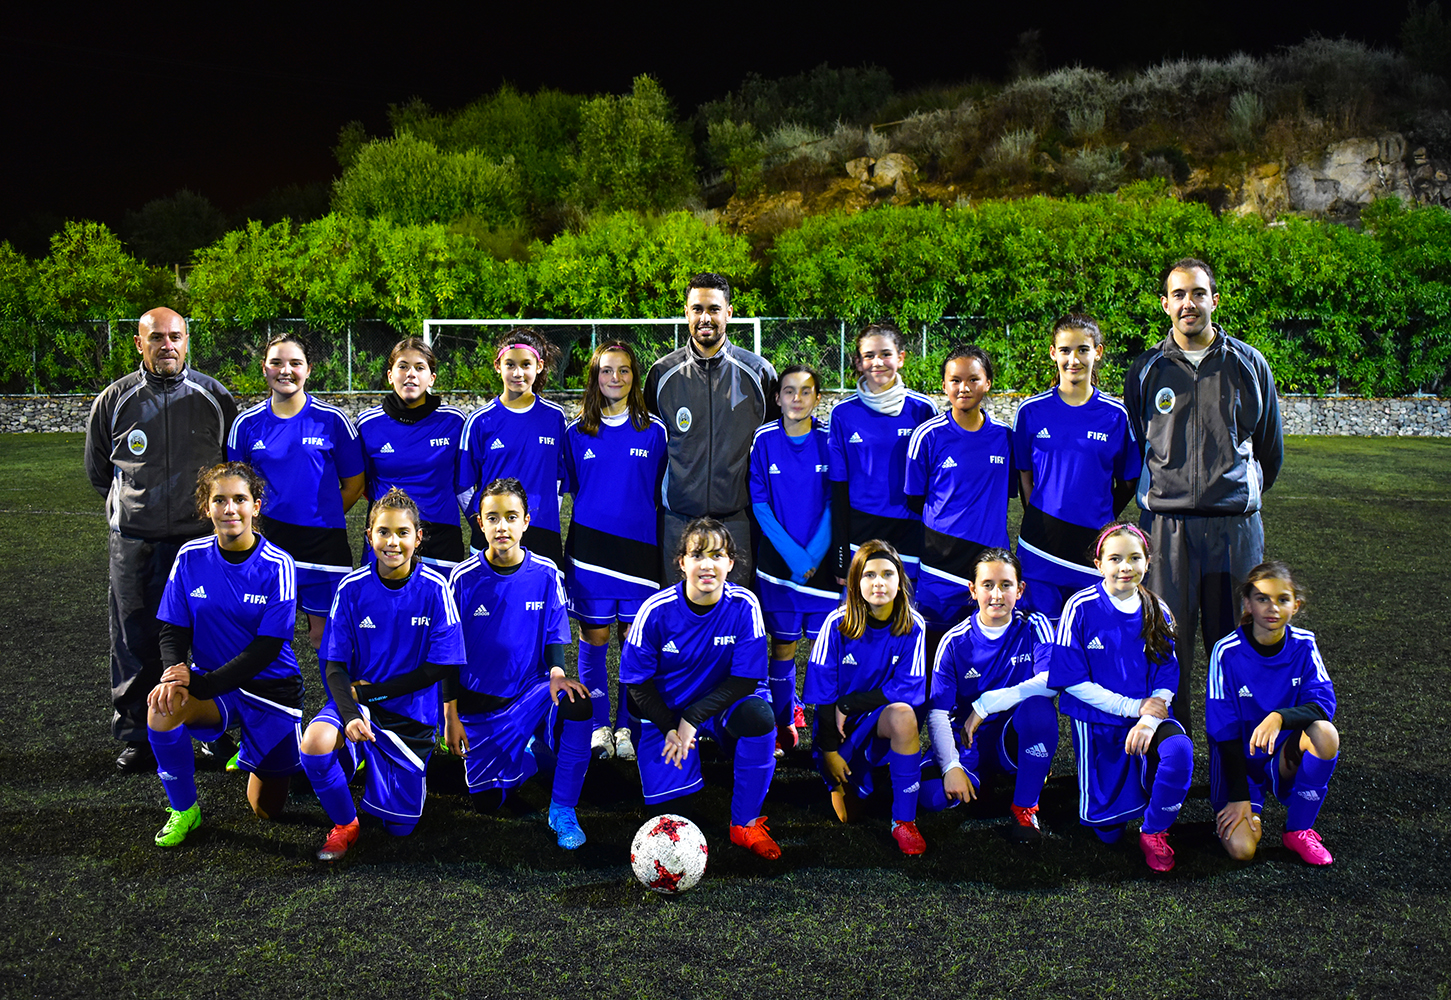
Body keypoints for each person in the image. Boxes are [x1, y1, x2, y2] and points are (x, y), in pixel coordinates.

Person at [1124, 259, 1283, 731]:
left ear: (1215, 299)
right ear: (1165, 304)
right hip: (1166, 528)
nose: (1188, 303)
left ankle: (1232, 768)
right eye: (1178, 295)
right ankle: (1174, 760)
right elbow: (1137, 443)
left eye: (1197, 293)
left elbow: (1270, 448)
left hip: (1233, 528)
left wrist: (1235, 493)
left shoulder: (1249, 364)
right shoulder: (1147, 368)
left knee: (1233, 646)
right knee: (1167, 646)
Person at [85, 306, 237, 772]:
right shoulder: (114, 400)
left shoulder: (214, 397)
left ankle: (213, 732)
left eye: (175, 336)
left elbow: (233, 469)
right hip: (136, 544)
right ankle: (138, 735)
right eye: (156, 338)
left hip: (201, 545)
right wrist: (137, 513)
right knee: (134, 639)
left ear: (187, 341)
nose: (166, 345)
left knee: (210, 640)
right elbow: (99, 473)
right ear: (139, 343)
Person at [298, 488, 465, 862]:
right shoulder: (351, 589)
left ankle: (370, 765)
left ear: (418, 537)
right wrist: (351, 714)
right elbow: (334, 665)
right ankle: (344, 823)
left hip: (410, 718)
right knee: (314, 743)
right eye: (384, 532)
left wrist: (371, 696)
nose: (393, 542)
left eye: (403, 533)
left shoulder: (436, 589)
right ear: (369, 535)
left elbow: (440, 666)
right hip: (360, 707)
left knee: (399, 829)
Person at [145, 463, 302, 846]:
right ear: (207, 508)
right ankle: (185, 810)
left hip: (270, 689)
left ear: (256, 507)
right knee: (162, 706)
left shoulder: (279, 565)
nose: (230, 509)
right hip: (213, 684)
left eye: (239, 500)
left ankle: (266, 749)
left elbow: (267, 648)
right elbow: (173, 627)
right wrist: (174, 674)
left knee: (268, 811)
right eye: (220, 500)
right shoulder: (189, 557)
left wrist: (202, 683)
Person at [620, 517, 781, 859]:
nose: (708, 564)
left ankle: (745, 824)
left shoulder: (744, 605)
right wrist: (670, 728)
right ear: (681, 563)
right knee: (673, 822)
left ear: (730, 563)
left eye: (717, 555)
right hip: (667, 714)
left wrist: (692, 719)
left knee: (759, 717)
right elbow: (636, 685)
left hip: (721, 707)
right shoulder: (655, 611)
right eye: (697, 555)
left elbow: (745, 681)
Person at [446, 478, 593, 850]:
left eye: (511, 517)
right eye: (492, 518)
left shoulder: (545, 573)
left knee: (577, 702)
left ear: (526, 521)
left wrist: (558, 673)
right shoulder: (461, 580)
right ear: (479, 523)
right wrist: (451, 715)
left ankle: (562, 810)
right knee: (488, 804)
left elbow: (555, 634)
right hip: (480, 708)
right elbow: (446, 653)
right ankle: (531, 756)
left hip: (532, 692)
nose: (502, 526)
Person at [1050, 522, 1194, 872]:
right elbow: (1071, 679)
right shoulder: (1079, 607)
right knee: (1108, 833)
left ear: (1148, 562)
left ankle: (1153, 831)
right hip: (1097, 722)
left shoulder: (1157, 610)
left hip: (1145, 720)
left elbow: (1166, 675)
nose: (1125, 567)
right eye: (1115, 558)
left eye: (1134, 558)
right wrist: (1130, 707)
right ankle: (1112, 808)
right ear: (1098, 564)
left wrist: (1146, 720)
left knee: (1179, 751)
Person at [562, 342, 667, 763]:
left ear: (634, 378)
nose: (615, 378)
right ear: (595, 376)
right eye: (607, 371)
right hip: (589, 553)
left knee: (632, 640)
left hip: (640, 553)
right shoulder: (576, 432)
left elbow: (661, 492)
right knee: (595, 637)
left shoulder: (655, 431)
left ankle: (626, 727)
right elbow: (569, 489)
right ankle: (597, 728)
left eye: (624, 371)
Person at [227, 333, 365, 653]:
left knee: (327, 638)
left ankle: (338, 705)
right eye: (276, 362)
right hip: (267, 546)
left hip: (324, 548)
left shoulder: (333, 421)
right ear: (264, 368)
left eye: (295, 363)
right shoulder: (246, 425)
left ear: (309, 369)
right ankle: (269, 703)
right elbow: (235, 491)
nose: (285, 370)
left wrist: (320, 516)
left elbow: (355, 485)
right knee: (267, 636)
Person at [644, 272, 778, 585]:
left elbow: (776, 442)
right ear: (686, 312)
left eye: (714, 309)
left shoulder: (759, 372)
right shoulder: (662, 373)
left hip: (737, 519)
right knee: (678, 615)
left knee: (734, 614)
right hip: (677, 518)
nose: (706, 317)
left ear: (729, 312)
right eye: (698, 308)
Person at [1207, 561, 1339, 866]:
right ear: (1247, 603)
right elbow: (1222, 729)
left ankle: (1298, 830)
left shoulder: (1304, 645)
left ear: (1296, 605)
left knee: (1325, 734)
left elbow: (1323, 703)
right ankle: (1249, 806)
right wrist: (1239, 796)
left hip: (1281, 757)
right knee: (1242, 850)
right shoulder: (1226, 652)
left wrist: (1279, 717)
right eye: (1262, 598)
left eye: (1282, 599)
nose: (1272, 607)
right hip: (1237, 763)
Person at [922, 548, 1057, 842]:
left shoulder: (1035, 627)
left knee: (1039, 709)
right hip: (968, 740)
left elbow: (1051, 681)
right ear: (973, 590)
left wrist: (986, 704)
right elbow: (937, 713)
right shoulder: (955, 642)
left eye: (1006, 585)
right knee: (931, 798)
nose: (997, 594)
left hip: (1013, 735)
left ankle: (1024, 807)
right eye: (988, 585)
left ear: (1020, 590)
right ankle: (976, 776)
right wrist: (951, 766)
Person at [803, 541, 929, 855]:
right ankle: (850, 772)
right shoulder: (837, 624)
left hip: (879, 721)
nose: (879, 583)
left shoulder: (914, 626)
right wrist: (830, 750)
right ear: (856, 583)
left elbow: (907, 689)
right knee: (849, 817)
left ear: (900, 582)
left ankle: (904, 821)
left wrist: (851, 704)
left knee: (903, 715)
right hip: (839, 731)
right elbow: (823, 694)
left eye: (887, 574)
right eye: (869, 575)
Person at [1012, 314, 1139, 619]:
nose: (1074, 359)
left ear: (1098, 352)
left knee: (1088, 637)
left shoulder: (1116, 415)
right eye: (1066, 350)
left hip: (1091, 548)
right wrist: (1042, 519)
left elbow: (1128, 483)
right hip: (1039, 549)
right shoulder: (1030, 411)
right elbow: (1025, 477)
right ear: (1053, 353)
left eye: (1083, 349)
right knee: (1041, 637)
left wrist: (1102, 518)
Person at [748, 364, 835, 753]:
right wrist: (795, 558)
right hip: (779, 570)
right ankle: (784, 725)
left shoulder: (830, 441)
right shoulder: (763, 439)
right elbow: (760, 503)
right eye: (788, 391)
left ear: (818, 398)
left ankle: (826, 735)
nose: (796, 399)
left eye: (805, 392)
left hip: (821, 568)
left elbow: (835, 504)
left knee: (824, 651)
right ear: (778, 397)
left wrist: (813, 556)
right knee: (782, 648)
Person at [905, 344, 1014, 645]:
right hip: (940, 568)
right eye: (955, 380)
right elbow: (915, 500)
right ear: (944, 385)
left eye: (973, 379)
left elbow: (1008, 494)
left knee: (985, 651)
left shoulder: (1005, 436)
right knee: (933, 652)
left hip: (989, 568)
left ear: (988, 382)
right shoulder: (927, 436)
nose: (963, 388)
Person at [828, 321, 937, 586]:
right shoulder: (842, 414)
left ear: (900, 358)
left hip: (910, 529)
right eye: (869, 355)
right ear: (858, 362)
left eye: (886, 354)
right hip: (861, 530)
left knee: (906, 617)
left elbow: (934, 484)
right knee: (860, 619)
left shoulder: (923, 410)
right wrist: (841, 557)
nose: (878, 362)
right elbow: (838, 491)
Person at [458, 328, 567, 568]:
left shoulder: (555, 417)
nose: (518, 373)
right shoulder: (479, 421)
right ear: (498, 366)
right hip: (495, 535)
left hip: (543, 531)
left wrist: (545, 513)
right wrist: (484, 521)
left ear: (538, 366)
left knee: (541, 603)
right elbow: (464, 485)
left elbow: (560, 478)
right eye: (510, 365)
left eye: (526, 364)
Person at [356, 337, 468, 570]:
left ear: (431, 378)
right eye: (403, 366)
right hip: (387, 536)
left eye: (419, 367)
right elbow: (361, 484)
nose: (411, 374)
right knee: (384, 605)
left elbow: (464, 480)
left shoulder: (454, 422)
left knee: (438, 605)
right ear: (390, 375)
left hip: (441, 534)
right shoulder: (368, 424)